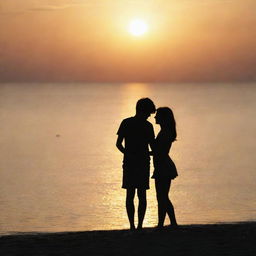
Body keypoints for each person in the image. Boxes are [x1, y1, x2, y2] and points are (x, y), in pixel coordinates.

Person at [116, 98, 156, 230]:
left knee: (131, 194)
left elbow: (118, 144)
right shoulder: (147, 126)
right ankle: (137, 225)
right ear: (143, 110)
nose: (149, 115)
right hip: (141, 162)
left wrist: (127, 153)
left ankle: (134, 226)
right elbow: (153, 146)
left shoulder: (126, 122)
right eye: (148, 112)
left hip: (132, 162)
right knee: (140, 194)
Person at [152, 107, 178, 229]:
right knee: (162, 196)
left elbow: (159, 151)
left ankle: (167, 223)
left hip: (163, 166)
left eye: (157, 115)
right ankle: (165, 223)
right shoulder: (165, 131)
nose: (155, 117)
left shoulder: (165, 133)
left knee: (162, 196)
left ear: (163, 118)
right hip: (162, 165)